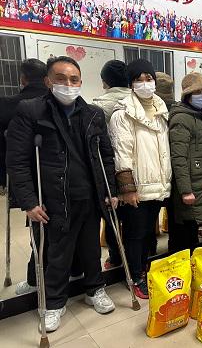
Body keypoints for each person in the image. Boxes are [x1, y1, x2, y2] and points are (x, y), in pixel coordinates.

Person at [6, 56, 116, 332]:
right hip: (52, 197)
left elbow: (105, 155)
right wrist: (28, 201)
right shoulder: (31, 111)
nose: (68, 84)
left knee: (91, 248)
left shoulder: (92, 113)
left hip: (88, 195)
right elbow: (17, 161)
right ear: (47, 81)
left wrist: (110, 190)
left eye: (74, 79)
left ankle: (95, 289)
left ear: (80, 82)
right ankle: (54, 303)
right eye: (61, 79)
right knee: (56, 253)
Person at [108, 59, 172, 299]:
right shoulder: (122, 113)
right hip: (136, 187)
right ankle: (134, 276)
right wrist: (127, 188)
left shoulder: (160, 109)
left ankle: (144, 269)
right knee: (135, 234)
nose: (145, 84)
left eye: (149, 78)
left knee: (148, 233)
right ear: (131, 83)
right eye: (139, 79)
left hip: (158, 184)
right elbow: (121, 153)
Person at [168, 72, 202, 251]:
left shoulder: (200, 116)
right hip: (191, 186)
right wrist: (185, 190)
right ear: (187, 96)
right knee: (186, 233)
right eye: (197, 93)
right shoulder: (182, 118)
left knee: (194, 233)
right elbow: (178, 158)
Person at [92, 60, 131, 270]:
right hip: (134, 169)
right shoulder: (137, 101)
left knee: (112, 215)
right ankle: (144, 252)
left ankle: (115, 257)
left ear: (105, 81)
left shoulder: (97, 105)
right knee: (135, 215)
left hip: (109, 169)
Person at [0, 59, 48, 191]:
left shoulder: (5, 105)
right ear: (47, 79)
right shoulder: (58, 104)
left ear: (23, 79)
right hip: (59, 173)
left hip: (19, 175)